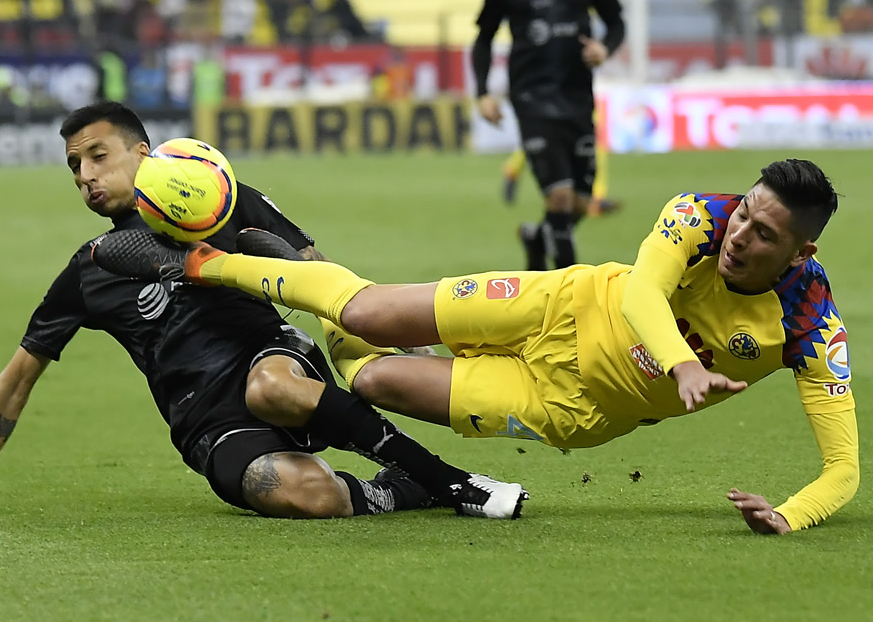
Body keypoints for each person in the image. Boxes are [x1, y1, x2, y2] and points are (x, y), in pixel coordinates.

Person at [93, 158, 858, 535]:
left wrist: (790, 516)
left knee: (372, 382)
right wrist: (686, 363)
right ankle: (203, 260)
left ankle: (343, 325)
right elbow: (640, 292)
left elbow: (844, 468)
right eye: (746, 214)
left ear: (800, 251)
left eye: (763, 233)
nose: (739, 235)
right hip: (558, 301)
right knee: (367, 307)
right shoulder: (700, 211)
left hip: (569, 405)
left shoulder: (809, 325)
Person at [0, 101, 528, 522]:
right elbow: (16, 379)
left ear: (145, 152)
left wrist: (398, 346)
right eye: (74, 166)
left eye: (97, 155)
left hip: (274, 361)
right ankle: (398, 489)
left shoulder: (223, 199)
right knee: (301, 494)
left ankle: (453, 483)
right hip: (205, 426)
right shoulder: (89, 269)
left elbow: (320, 272)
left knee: (271, 385)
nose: (84, 175)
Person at [473, 0, 625, 270]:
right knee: (560, 198)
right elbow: (484, 38)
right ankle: (565, 296)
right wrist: (482, 92)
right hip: (531, 100)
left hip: (578, 98)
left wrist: (604, 49)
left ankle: (537, 238)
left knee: (580, 205)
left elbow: (616, 22)